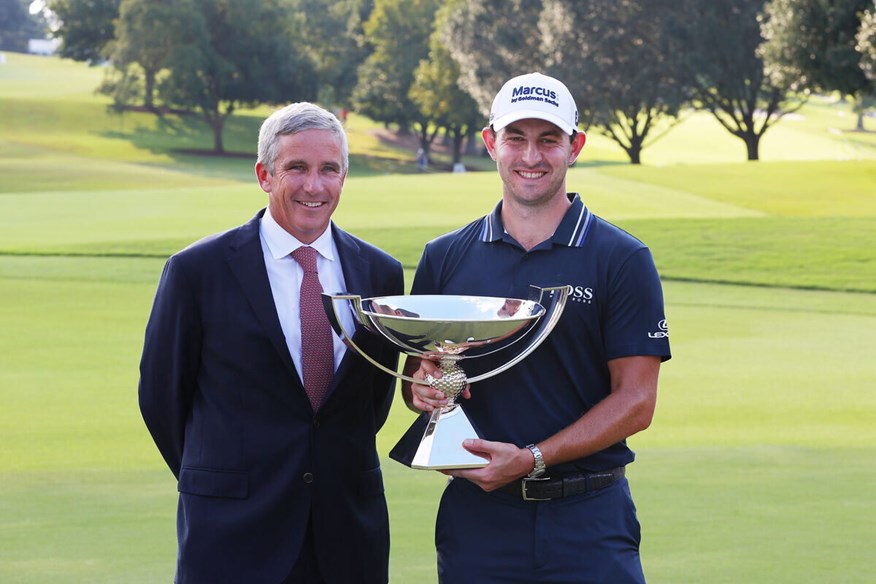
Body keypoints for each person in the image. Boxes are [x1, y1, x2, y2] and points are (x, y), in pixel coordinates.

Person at [402, 72, 672, 583]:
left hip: (587, 518)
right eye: (516, 138)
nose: (531, 156)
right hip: (478, 521)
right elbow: (423, 377)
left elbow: (637, 401)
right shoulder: (444, 258)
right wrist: (423, 391)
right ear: (490, 143)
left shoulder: (622, 258)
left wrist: (532, 459)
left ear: (575, 147)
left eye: (549, 140)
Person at [138, 102, 404, 584]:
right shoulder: (197, 271)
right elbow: (161, 399)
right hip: (231, 536)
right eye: (296, 168)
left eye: (329, 170)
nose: (313, 186)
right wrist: (226, 481)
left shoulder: (380, 273)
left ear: (344, 176)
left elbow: (372, 403)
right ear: (264, 174)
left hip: (347, 535)